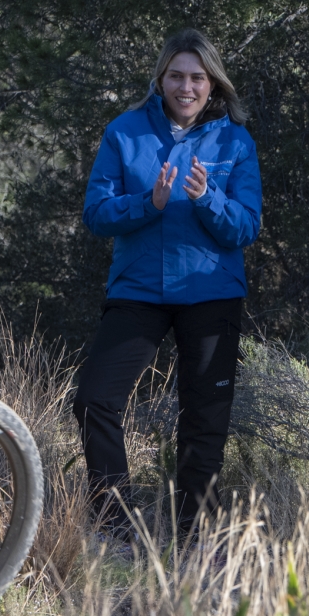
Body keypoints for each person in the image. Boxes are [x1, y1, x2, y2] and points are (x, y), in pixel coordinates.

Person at [73, 29, 262, 540]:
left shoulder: (234, 140)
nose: (186, 87)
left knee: (204, 417)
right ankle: (115, 526)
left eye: (197, 78)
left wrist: (208, 200)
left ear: (213, 83)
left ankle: (194, 536)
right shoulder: (125, 132)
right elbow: (95, 213)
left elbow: (246, 226)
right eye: (176, 75)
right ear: (160, 78)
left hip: (211, 292)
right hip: (138, 290)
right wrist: (148, 205)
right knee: (94, 400)